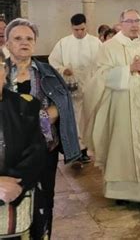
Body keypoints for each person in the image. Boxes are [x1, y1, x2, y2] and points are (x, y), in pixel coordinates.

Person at [82, 9, 140, 211]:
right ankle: (120, 193)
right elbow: (98, 76)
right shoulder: (109, 47)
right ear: (120, 23)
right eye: (129, 21)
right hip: (120, 106)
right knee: (121, 148)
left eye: (137, 21)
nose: (134, 25)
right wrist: (127, 69)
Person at [4, 18, 81, 239]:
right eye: (17, 38)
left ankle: (43, 234)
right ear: (8, 44)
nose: (24, 43)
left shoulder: (47, 71)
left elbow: (63, 101)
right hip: (9, 154)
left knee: (44, 200)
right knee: (13, 202)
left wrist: (46, 115)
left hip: (44, 150)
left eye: (29, 38)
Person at [0, 49, 48, 236]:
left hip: (18, 193)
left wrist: (17, 182)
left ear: (5, 70)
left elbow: (36, 148)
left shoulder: (25, 105)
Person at [48, 13, 102, 163]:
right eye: (76, 29)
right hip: (71, 89)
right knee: (72, 121)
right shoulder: (63, 43)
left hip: (90, 87)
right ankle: (73, 150)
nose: (79, 32)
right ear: (71, 27)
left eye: (82, 29)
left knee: (87, 120)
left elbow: (103, 63)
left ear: (86, 26)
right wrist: (63, 69)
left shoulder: (95, 42)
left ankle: (85, 149)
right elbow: (53, 60)